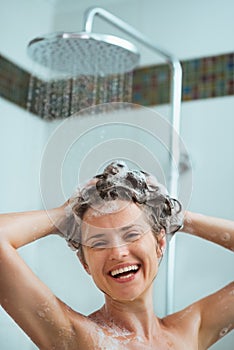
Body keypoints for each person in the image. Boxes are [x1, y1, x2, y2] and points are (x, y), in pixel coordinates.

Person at [0, 160, 233, 350]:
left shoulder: (190, 331)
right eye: (99, 242)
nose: (118, 253)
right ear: (85, 263)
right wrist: (61, 216)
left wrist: (177, 216)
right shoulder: (74, 338)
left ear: (160, 243)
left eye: (132, 235)